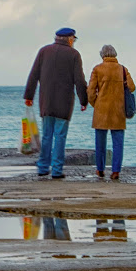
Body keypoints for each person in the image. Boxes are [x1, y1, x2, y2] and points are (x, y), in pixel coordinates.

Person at [24, 28, 88, 179]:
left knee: (47, 135)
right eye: (74, 39)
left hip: (46, 101)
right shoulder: (74, 55)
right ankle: (57, 170)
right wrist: (84, 100)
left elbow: (34, 74)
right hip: (64, 102)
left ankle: (43, 167)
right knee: (60, 136)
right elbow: (79, 80)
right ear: (70, 39)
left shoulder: (44, 51)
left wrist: (29, 95)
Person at [87, 44, 135, 180]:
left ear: (102, 55)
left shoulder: (97, 69)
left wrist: (95, 104)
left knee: (100, 143)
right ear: (115, 54)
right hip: (118, 111)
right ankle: (115, 171)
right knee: (118, 143)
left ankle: (100, 169)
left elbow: (90, 91)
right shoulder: (123, 69)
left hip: (101, 110)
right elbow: (132, 87)